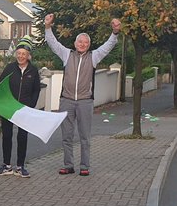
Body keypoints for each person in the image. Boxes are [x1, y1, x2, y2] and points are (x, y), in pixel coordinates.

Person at [43, 13, 121, 176]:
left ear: (89, 45)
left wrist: (114, 32)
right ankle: (68, 165)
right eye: (80, 41)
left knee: (85, 136)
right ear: (75, 43)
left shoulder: (94, 57)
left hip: (85, 102)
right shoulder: (67, 54)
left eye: (86, 42)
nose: (82, 44)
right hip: (66, 101)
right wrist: (48, 26)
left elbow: (108, 46)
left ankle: (84, 166)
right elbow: (53, 43)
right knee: (67, 136)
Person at [0, 39, 43, 178]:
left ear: (28, 56)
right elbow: (0, 85)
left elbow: (36, 90)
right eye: (19, 53)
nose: (21, 56)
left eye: (24, 54)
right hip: (8, 107)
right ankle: (6, 165)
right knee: (7, 136)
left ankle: (20, 166)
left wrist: (31, 105)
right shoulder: (9, 68)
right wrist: (3, 103)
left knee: (22, 137)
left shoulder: (33, 70)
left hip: (24, 109)